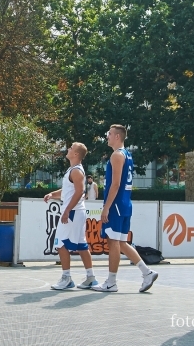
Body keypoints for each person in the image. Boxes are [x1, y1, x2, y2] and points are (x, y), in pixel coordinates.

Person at [92, 124, 159, 293]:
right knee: (122, 243)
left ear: (117, 137)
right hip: (125, 204)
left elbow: (115, 184)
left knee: (113, 242)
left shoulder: (116, 155)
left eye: (109, 134)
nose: (107, 136)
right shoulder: (127, 154)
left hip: (116, 204)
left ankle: (111, 282)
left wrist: (106, 207)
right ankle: (147, 272)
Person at [44, 142, 99, 290]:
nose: (68, 149)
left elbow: (79, 191)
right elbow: (68, 190)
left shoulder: (76, 171)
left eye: (71, 148)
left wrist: (67, 210)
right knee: (81, 245)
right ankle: (91, 278)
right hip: (76, 212)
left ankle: (67, 278)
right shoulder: (73, 170)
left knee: (60, 244)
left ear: (76, 154)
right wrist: (52, 194)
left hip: (73, 212)